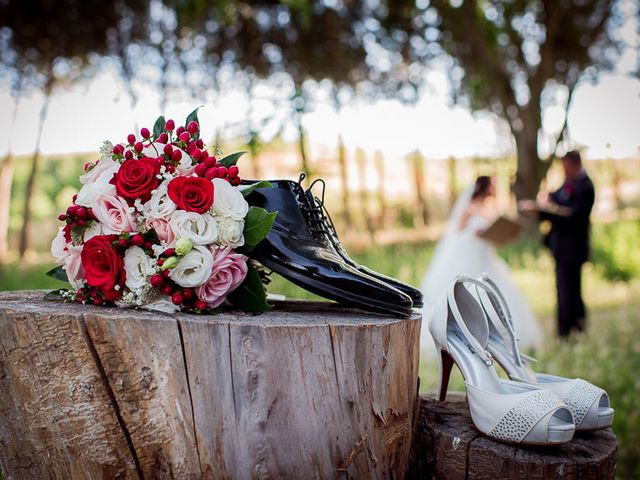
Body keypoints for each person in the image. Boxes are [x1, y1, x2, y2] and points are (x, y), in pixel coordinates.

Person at [420, 175, 542, 354]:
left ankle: (500, 335)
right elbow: (458, 232)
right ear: (484, 187)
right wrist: (475, 232)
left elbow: (493, 232)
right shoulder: (469, 207)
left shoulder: (489, 208)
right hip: (470, 255)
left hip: (486, 256)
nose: (494, 189)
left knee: (497, 290)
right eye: (492, 185)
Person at [519, 150, 595, 337]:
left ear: (574, 164)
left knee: (573, 289)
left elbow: (573, 216)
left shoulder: (586, 186)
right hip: (560, 247)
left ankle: (576, 326)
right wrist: (541, 208)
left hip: (574, 248)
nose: (563, 170)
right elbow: (557, 199)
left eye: (565, 166)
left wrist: (548, 211)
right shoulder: (568, 183)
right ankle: (564, 329)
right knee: (562, 289)